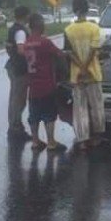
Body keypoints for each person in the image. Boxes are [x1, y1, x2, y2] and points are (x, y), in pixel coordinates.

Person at [64, 0, 105, 150]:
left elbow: (69, 53)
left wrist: (80, 68)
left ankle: (82, 139)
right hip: (93, 74)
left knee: (79, 108)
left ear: (75, 9)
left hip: (76, 75)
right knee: (96, 106)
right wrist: (86, 68)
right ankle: (97, 137)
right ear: (87, 9)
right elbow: (95, 50)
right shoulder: (94, 28)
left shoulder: (68, 30)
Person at [23, 13, 64, 151]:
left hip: (33, 86)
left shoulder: (27, 43)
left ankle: (35, 141)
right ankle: (51, 142)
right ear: (39, 26)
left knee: (33, 115)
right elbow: (59, 54)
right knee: (49, 114)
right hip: (46, 85)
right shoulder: (45, 42)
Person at [5, 5, 31, 140]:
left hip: (13, 66)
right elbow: (21, 50)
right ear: (25, 16)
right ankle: (15, 126)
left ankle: (15, 125)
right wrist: (32, 54)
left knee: (14, 97)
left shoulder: (13, 29)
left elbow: (9, 47)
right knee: (19, 99)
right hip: (20, 69)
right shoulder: (21, 32)